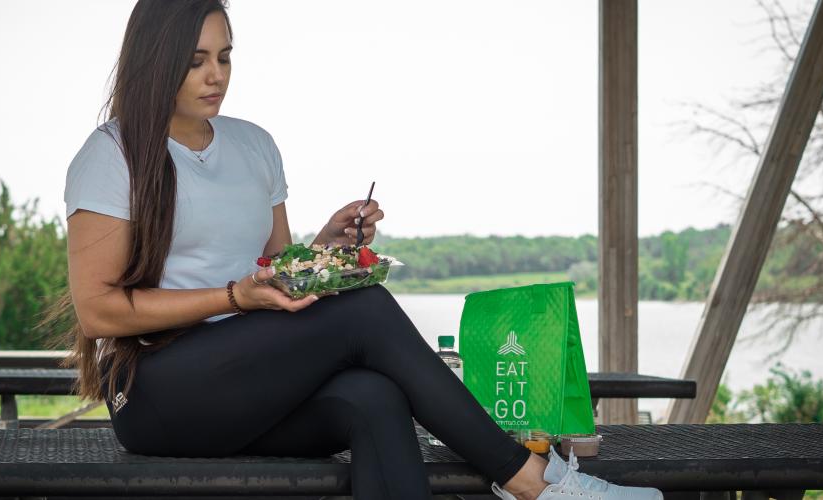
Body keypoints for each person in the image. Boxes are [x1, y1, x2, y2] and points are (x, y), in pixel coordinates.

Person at [50, 1, 663, 499]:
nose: (217, 75)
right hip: (160, 392)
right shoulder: (112, 156)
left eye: (226, 57)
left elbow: (279, 276)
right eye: (196, 61)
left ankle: (534, 482)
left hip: (253, 381)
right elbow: (99, 311)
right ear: (158, 63)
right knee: (363, 309)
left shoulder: (254, 146)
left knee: (374, 397)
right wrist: (236, 297)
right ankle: (530, 479)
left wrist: (327, 249)